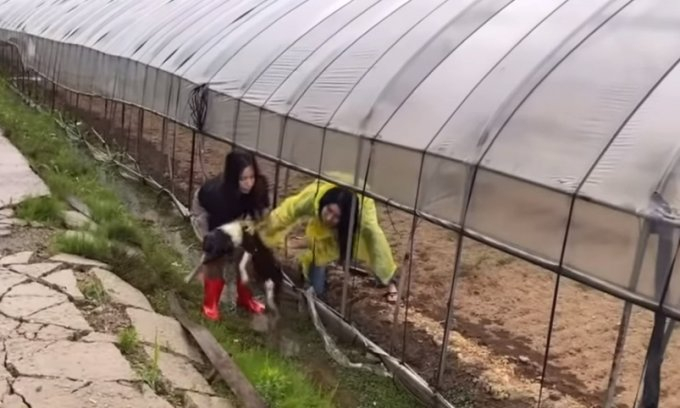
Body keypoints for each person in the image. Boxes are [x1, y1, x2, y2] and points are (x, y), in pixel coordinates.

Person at [257, 178, 398, 302]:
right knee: (316, 291)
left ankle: (385, 279)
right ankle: (310, 255)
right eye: (328, 210)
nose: (329, 218)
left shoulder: (364, 221)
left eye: (336, 216)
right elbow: (286, 212)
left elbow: (379, 247)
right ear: (324, 203)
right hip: (328, 201)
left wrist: (388, 276)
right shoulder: (313, 196)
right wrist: (263, 234)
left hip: (354, 216)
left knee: (369, 249)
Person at [190, 149, 270, 320]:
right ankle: (210, 305)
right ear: (234, 179)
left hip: (237, 213)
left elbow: (260, 216)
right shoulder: (219, 198)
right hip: (208, 213)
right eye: (243, 179)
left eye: (252, 177)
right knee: (215, 257)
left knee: (247, 256)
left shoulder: (259, 187)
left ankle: (245, 299)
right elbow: (216, 240)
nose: (249, 183)